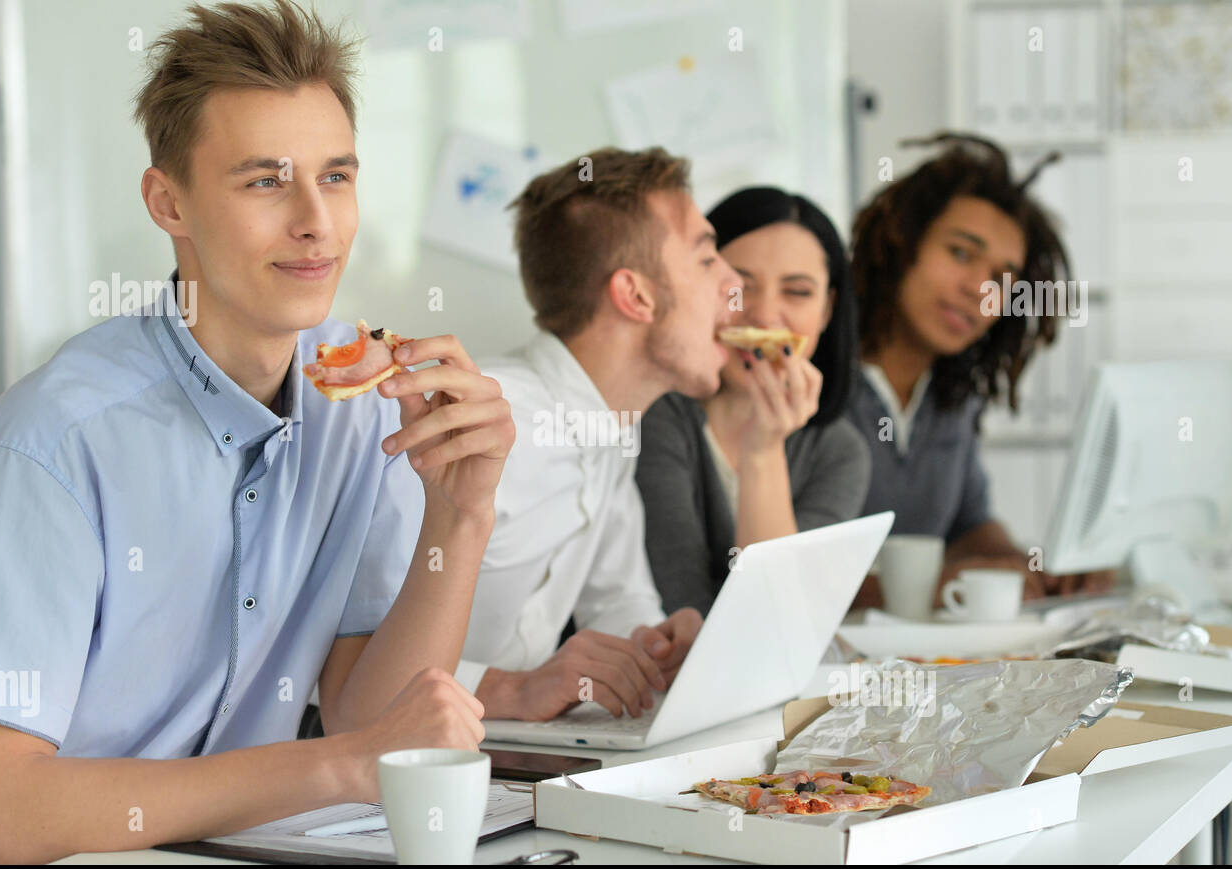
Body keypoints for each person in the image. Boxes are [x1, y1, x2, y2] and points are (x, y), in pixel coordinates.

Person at [0, 0, 515, 864]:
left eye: (337, 176)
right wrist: (333, 765)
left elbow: (372, 720)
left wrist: (460, 513)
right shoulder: (49, 445)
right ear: (168, 203)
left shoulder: (359, 402)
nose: (317, 220)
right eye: (265, 181)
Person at [457, 146, 741, 723]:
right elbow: (336, 654)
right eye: (708, 258)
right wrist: (509, 691)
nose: (735, 285)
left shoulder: (612, 426)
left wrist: (652, 645)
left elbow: (616, 596)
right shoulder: (484, 422)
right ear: (635, 295)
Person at [846, 132, 1113, 606]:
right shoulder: (810, 383)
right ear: (901, 242)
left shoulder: (952, 395)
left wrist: (1026, 569)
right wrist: (932, 590)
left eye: (1000, 279)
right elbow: (783, 575)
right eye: (961, 253)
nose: (979, 289)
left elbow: (968, 524)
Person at [635, 186, 871, 616]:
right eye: (739, 287)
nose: (763, 316)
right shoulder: (652, 417)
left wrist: (765, 449)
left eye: (797, 292)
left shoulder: (840, 453)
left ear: (827, 309)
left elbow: (783, 621)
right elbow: (687, 616)